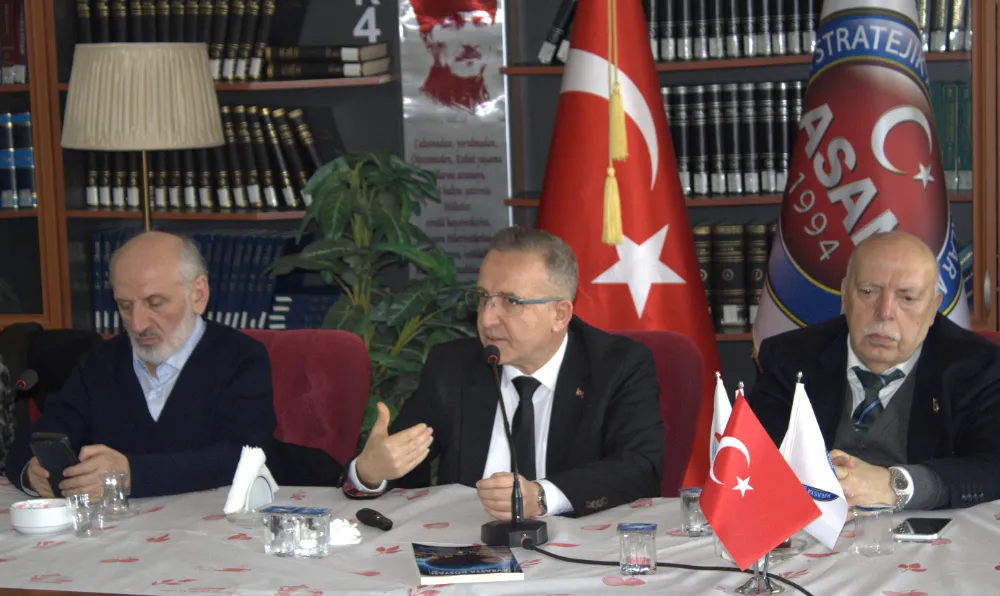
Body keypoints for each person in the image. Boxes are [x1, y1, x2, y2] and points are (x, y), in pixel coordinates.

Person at [343, 226, 665, 519]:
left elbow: (640, 468)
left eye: (510, 302)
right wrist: (369, 473)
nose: (486, 320)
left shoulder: (617, 366)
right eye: (483, 298)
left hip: (579, 547)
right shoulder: (452, 367)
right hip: (466, 545)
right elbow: (402, 469)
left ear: (559, 314)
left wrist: (542, 497)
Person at [4, 231, 277, 498]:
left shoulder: (241, 357)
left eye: (154, 303)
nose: (137, 324)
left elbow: (244, 455)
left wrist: (130, 475)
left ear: (198, 294)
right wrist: (32, 472)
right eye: (125, 306)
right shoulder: (99, 364)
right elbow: (32, 443)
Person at [749, 231, 1000, 511]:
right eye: (869, 292)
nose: (885, 312)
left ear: (933, 308)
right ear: (845, 295)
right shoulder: (790, 357)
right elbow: (753, 455)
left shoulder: (978, 366)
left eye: (907, 298)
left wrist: (894, 484)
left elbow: (992, 466)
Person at [409, 0, 501, 113]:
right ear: (428, 38)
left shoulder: (503, 102)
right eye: (452, 26)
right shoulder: (417, 107)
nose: (468, 43)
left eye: (480, 24)